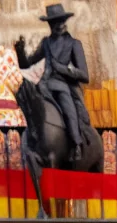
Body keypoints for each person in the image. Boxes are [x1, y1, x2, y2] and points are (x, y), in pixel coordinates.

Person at [15, 5, 91, 161]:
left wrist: (62, 69)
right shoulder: (46, 43)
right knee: (26, 98)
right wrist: (20, 51)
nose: (58, 25)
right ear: (50, 24)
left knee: (68, 108)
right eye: (54, 22)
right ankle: (32, 139)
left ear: (65, 22)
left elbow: (84, 76)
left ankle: (76, 143)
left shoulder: (74, 44)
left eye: (61, 21)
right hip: (44, 86)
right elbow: (27, 63)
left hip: (62, 86)